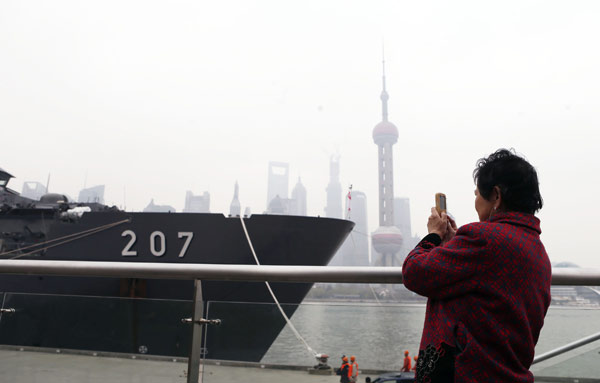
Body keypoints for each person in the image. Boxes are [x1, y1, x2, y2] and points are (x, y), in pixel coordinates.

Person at [402, 149, 551, 383]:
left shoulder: (484, 238)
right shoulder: (537, 249)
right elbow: (485, 287)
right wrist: (453, 245)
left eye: (477, 195)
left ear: (496, 196)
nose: (475, 202)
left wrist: (433, 236)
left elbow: (414, 272)